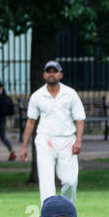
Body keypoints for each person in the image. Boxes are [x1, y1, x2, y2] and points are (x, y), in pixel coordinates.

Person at [19, 60, 85, 202]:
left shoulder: (70, 94)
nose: (51, 74)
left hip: (67, 140)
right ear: (44, 75)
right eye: (48, 71)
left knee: (70, 181)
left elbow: (79, 119)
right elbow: (31, 121)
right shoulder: (37, 96)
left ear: (60, 74)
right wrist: (24, 146)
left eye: (54, 72)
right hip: (45, 140)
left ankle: (67, 211)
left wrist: (78, 141)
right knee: (46, 183)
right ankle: (47, 216)